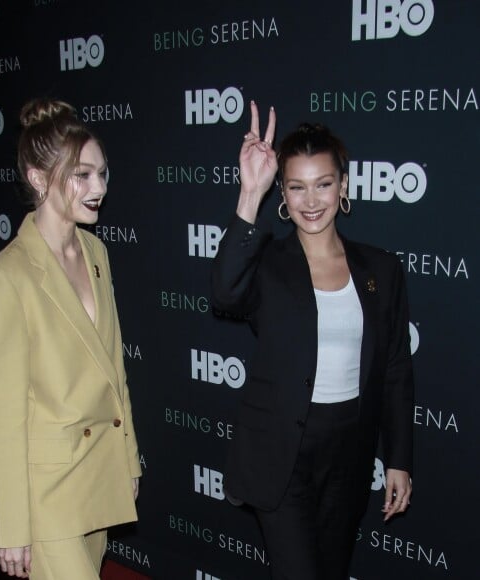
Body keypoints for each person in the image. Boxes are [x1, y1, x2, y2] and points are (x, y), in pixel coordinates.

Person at [211, 101, 414, 579]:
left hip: (349, 451)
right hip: (282, 454)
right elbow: (223, 293)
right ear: (282, 192)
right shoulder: (268, 262)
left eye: (323, 183)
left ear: (343, 185)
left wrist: (399, 458)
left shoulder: (381, 269)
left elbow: (396, 368)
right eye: (296, 186)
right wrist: (249, 192)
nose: (311, 200)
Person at [0, 98, 142, 579]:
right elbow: (0, 414)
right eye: (82, 175)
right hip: (46, 494)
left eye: (103, 174)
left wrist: (127, 456)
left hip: (96, 472)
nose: (100, 188)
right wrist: (7, 524)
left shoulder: (96, 252)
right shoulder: (3, 281)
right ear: (39, 179)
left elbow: (114, 367)